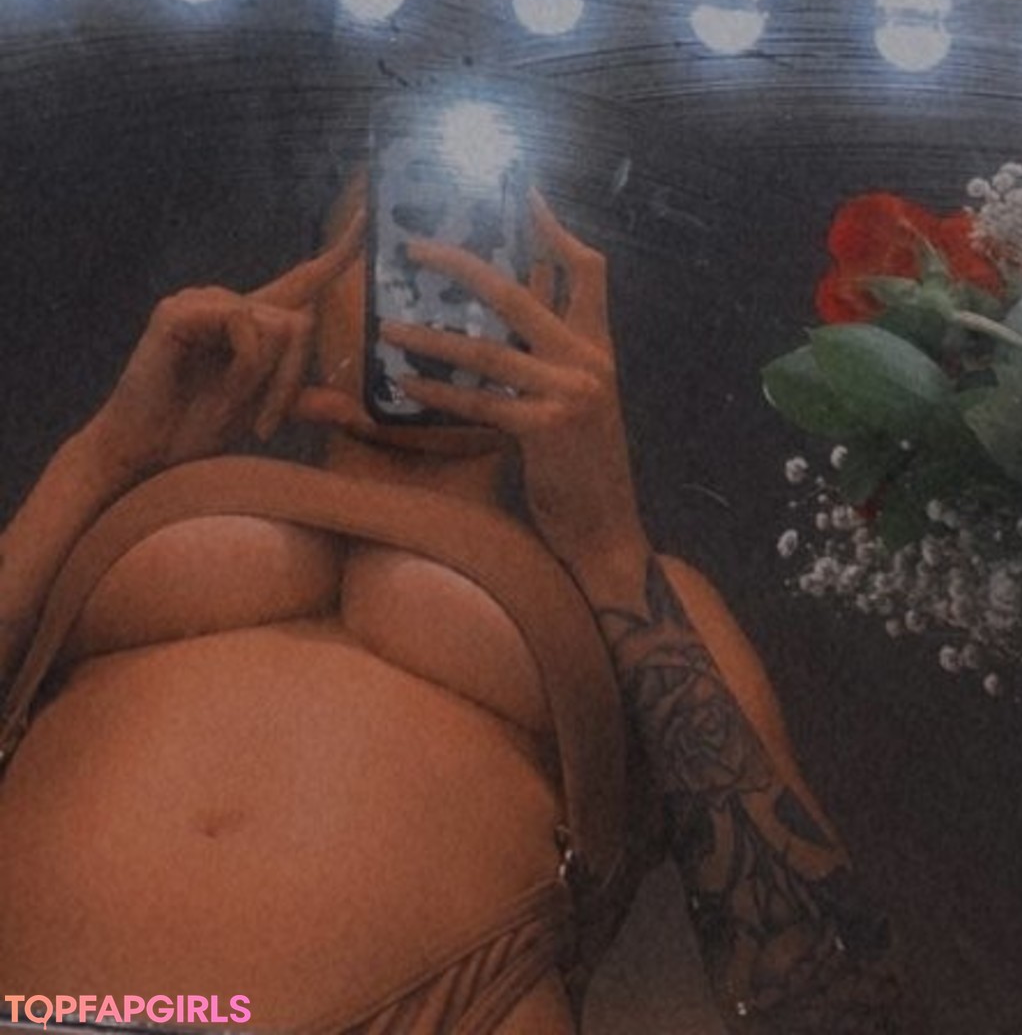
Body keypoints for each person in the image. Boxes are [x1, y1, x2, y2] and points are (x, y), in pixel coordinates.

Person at [0, 179, 907, 1033]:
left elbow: (838, 1004)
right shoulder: (128, 490)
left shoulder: (630, 581)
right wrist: (106, 455)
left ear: (567, 317)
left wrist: (608, 547)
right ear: (315, 285)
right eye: (403, 236)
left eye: (493, 249)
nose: (444, 272)